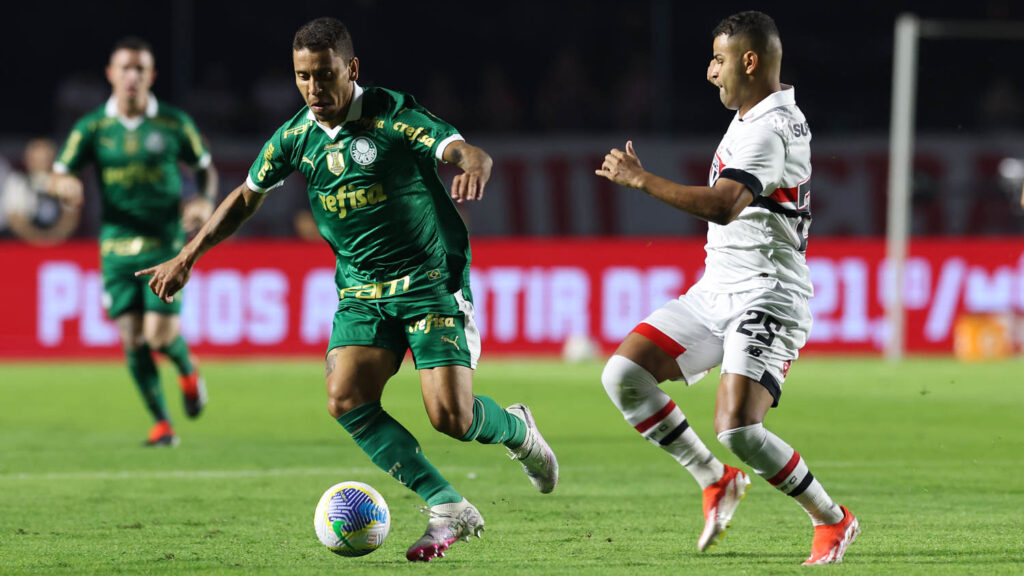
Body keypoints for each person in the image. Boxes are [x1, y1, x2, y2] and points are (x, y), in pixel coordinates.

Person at [136, 17, 558, 562]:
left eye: (325, 75)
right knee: (345, 398)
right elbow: (246, 195)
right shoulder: (297, 136)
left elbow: (456, 147)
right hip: (360, 291)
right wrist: (188, 254)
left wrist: (473, 157)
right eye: (303, 77)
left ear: (351, 69)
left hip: (429, 282)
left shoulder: (392, 113)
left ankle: (517, 430)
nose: (314, 90)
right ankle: (445, 503)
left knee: (450, 418)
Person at [595, 11, 858, 566]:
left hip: (768, 294)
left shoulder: (767, 129)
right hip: (718, 287)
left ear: (749, 60)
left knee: (738, 427)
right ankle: (715, 480)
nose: (711, 72)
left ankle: (832, 519)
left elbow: (724, 204)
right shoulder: (756, 113)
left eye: (718, 59)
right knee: (624, 374)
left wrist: (641, 180)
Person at [51, 37, 217, 447]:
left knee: (160, 337)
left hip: (165, 247)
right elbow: (59, 171)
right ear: (111, 74)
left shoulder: (173, 123)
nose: (132, 76)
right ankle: (162, 423)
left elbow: (206, 169)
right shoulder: (92, 127)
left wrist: (203, 199)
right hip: (115, 250)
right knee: (131, 338)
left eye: (140, 69)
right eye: (124, 68)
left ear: (151, 75)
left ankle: (188, 371)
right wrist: (65, 184)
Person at [4, 138, 81, 245]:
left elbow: (70, 218)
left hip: (60, 246)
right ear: (28, 159)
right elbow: (14, 219)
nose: (41, 163)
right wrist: (37, 240)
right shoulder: (18, 183)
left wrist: (53, 239)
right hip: (23, 246)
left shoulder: (66, 182)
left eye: (45, 158)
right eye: (37, 159)